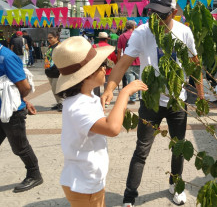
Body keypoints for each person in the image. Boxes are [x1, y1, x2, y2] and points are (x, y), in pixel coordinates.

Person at [101, 0, 204, 207]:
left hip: (177, 101)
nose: (155, 19)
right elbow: (123, 63)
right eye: (151, 13)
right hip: (151, 101)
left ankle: (175, 186)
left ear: (174, 12)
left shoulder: (184, 32)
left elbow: (196, 65)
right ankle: (130, 195)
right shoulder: (142, 32)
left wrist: (202, 97)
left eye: (161, 15)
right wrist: (109, 88)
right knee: (141, 149)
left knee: (179, 147)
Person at [53, 36, 147, 207]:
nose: (105, 69)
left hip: (89, 178)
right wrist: (125, 93)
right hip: (83, 184)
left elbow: (96, 123)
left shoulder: (86, 98)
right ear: (86, 75)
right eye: (100, 66)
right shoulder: (78, 105)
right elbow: (112, 128)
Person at [0, 42, 43, 193]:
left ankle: (34, 174)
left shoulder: (6, 57)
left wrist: (21, 101)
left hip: (12, 112)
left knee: (20, 147)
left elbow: (24, 87)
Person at [117, 20, 140, 104]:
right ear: (134, 27)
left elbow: (119, 51)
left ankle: (133, 99)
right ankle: (140, 97)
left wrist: (119, 62)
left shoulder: (121, 36)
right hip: (139, 60)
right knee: (140, 80)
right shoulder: (138, 35)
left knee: (131, 81)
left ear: (126, 27)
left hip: (127, 61)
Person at [93, 32, 117, 97]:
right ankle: (106, 99)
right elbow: (114, 59)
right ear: (106, 39)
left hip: (97, 68)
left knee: (96, 85)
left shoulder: (94, 46)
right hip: (108, 69)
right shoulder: (110, 47)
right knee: (107, 84)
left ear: (99, 39)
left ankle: (96, 98)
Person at [44, 31, 63, 111]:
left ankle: (62, 103)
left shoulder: (60, 46)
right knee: (53, 89)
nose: (49, 39)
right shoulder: (50, 47)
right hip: (49, 71)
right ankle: (58, 103)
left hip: (57, 71)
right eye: (48, 38)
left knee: (57, 88)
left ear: (56, 37)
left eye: (51, 38)